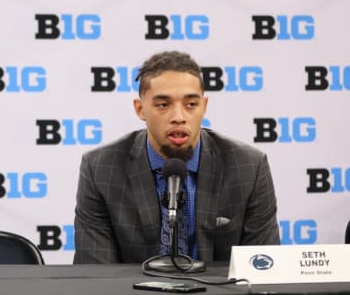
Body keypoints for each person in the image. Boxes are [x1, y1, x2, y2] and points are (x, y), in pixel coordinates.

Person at [73, 51, 279, 264]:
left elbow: (264, 269)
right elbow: (96, 274)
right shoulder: (100, 169)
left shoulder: (248, 167)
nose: (179, 117)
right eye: (163, 105)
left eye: (191, 104)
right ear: (140, 108)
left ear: (204, 106)